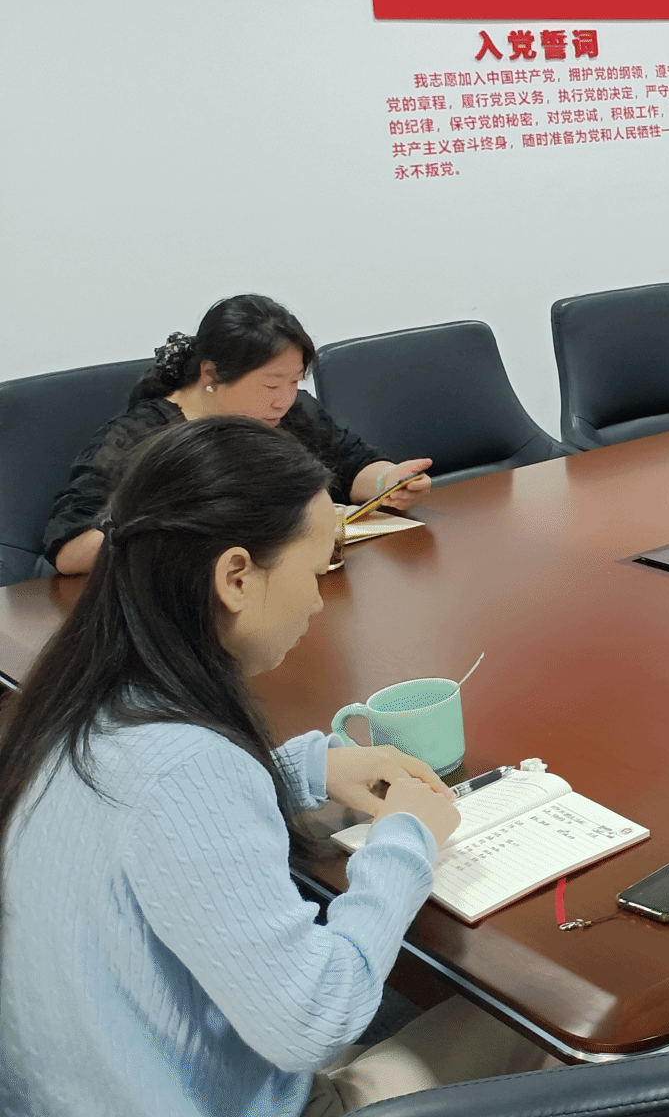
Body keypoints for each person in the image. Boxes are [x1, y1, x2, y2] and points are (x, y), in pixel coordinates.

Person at [0, 417, 547, 1115]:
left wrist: (299, 771)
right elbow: (315, 1021)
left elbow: (150, 824)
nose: (319, 600)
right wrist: (405, 839)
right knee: (540, 1027)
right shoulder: (190, 767)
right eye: (316, 572)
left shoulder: (73, 696)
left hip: (89, 1083)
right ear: (235, 576)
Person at [45, 295, 432, 576]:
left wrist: (388, 481)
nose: (284, 400)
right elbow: (70, 550)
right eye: (270, 385)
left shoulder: (291, 413)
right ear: (212, 374)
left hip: (291, 585)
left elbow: (352, 462)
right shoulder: (143, 435)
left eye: (295, 381)